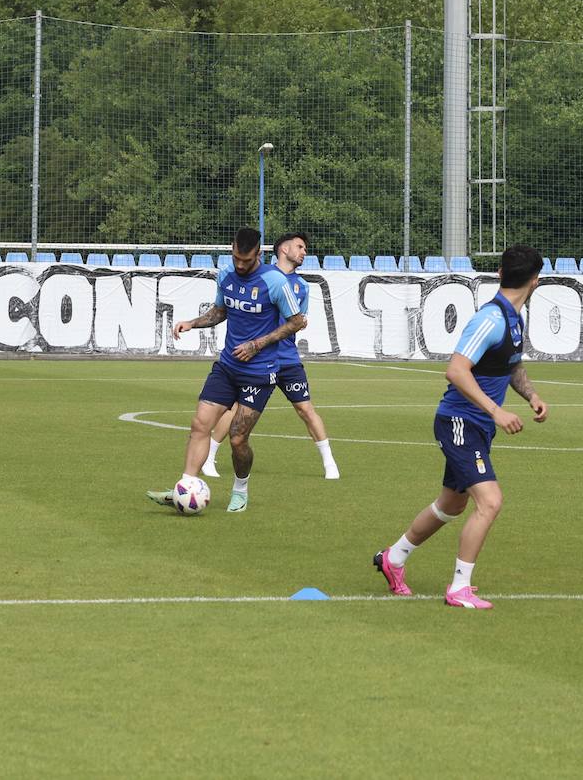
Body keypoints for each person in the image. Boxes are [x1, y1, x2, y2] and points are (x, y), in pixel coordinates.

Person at [372, 245, 548, 609]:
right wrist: (496, 411)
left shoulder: (514, 319)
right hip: (459, 421)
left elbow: (511, 365)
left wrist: (530, 396)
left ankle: (394, 558)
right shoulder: (491, 319)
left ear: (500, 273)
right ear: (535, 281)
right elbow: (456, 369)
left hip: (477, 425)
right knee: (490, 502)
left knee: (451, 505)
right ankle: (459, 588)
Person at [146, 227, 307, 512]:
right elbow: (220, 312)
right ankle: (185, 488)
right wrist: (192, 323)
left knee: (237, 438)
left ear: (259, 253)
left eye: (246, 260)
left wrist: (258, 344)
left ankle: (240, 489)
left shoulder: (275, 281)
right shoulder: (225, 275)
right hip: (228, 367)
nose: (240, 265)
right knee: (199, 425)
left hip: (259, 372)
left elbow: (296, 322)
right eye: (236, 258)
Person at [201, 232, 341, 481]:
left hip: (287, 359)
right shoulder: (262, 277)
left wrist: (300, 323)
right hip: (255, 361)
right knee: (233, 410)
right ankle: (209, 458)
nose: (304, 252)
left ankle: (330, 463)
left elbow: (298, 320)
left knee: (305, 409)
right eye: (300, 247)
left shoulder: (302, 286)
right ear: (283, 249)